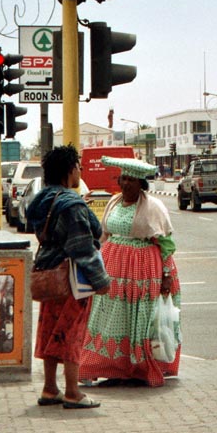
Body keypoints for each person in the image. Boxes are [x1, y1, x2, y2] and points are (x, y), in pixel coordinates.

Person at [80, 156, 181, 387]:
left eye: (132, 180)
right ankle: (105, 366)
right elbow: (105, 235)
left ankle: (139, 367)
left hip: (142, 274)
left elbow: (166, 245)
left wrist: (166, 277)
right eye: (123, 179)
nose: (125, 184)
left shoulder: (153, 208)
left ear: (141, 184)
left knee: (141, 320)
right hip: (113, 274)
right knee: (108, 318)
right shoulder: (114, 202)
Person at [26, 145, 110, 409]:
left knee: (49, 330)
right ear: (69, 170)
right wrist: (101, 281)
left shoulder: (43, 200)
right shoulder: (71, 205)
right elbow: (82, 247)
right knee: (72, 333)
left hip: (49, 274)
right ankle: (73, 392)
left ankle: (50, 388)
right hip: (71, 279)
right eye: (78, 166)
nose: (80, 171)